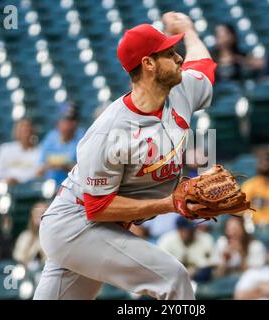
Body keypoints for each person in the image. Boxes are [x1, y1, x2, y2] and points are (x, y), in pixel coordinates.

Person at [34, 12, 219, 300]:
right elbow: (98, 207)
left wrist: (189, 30)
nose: (179, 58)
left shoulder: (181, 90)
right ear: (148, 64)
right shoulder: (109, 131)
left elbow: (203, 64)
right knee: (173, 278)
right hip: (75, 224)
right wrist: (169, 204)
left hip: (102, 227)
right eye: (169, 54)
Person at [37, 102, 84, 186]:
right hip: (50, 186)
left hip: (73, 186)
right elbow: (39, 170)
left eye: (72, 119)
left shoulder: (82, 137)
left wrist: (64, 166)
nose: (68, 124)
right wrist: (49, 166)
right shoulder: (50, 137)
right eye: (65, 119)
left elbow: (84, 170)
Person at [0, 118, 40, 185]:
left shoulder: (39, 151)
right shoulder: (5, 149)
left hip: (28, 188)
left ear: (32, 131)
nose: (25, 133)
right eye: (22, 130)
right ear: (16, 132)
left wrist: (19, 180)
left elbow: (37, 174)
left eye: (27, 130)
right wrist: (7, 179)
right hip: (5, 186)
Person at [13, 201, 47, 266]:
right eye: (36, 213)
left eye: (42, 213)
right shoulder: (24, 236)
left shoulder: (52, 238)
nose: (38, 216)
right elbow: (17, 257)